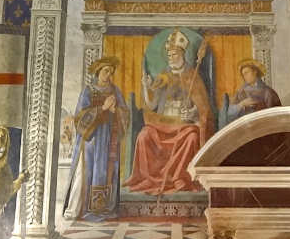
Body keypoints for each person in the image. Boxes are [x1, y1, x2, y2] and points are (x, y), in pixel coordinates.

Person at [124, 30, 214, 195]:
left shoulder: (192, 76)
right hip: (163, 124)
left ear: (182, 55)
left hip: (184, 125)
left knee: (192, 137)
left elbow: (203, 108)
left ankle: (179, 178)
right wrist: (145, 87)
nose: (171, 58)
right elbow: (151, 105)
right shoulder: (163, 76)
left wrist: (192, 113)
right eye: (169, 55)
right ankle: (148, 178)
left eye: (174, 54)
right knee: (144, 135)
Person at [62, 56, 129, 222]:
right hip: (91, 140)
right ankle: (79, 209)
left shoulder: (115, 91)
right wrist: (102, 108)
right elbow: (79, 118)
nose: (109, 75)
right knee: (85, 173)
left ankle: (104, 208)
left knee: (106, 172)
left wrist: (116, 111)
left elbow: (125, 113)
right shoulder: (88, 90)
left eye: (111, 72)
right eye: (106, 71)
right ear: (98, 71)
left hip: (108, 139)